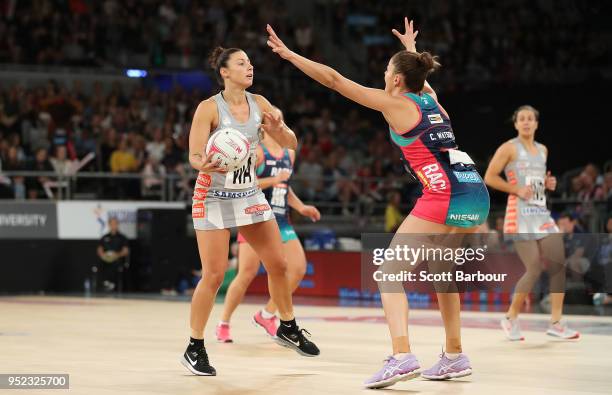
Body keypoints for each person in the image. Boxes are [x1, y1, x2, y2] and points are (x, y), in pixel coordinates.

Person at [266, 18, 490, 388]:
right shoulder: (432, 101)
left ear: (397, 80)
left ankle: (402, 357)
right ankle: (454, 356)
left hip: (444, 194)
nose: (385, 74)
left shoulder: (395, 103)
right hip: (474, 191)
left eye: (388, 69)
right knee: (441, 274)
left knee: (388, 274)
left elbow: (336, 81)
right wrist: (412, 51)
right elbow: (420, 75)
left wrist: (291, 56)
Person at [182, 46, 320, 377]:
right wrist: (206, 162)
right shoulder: (207, 109)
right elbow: (194, 156)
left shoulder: (259, 104)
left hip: (248, 194)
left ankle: (287, 326)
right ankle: (195, 345)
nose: (250, 67)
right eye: (241, 63)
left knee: (279, 263)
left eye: (251, 63)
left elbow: (290, 142)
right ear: (225, 72)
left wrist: (279, 128)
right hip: (213, 195)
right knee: (214, 275)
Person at [217, 110, 321, 342]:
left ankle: (266, 314)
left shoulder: (289, 153)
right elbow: (244, 182)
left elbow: (284, 187)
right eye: (274, 118)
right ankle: (223, 322)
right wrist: (272, 180)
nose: (279, 121)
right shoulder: (256, 151)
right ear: (263, 125)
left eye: (281, 118)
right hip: (256, 219)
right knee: (246, 273)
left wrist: (301, 207)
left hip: (282, 219)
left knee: (297, 269)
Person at [484, 105, 579, 341]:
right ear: (516, 124)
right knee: (534, 268)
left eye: (530, 119)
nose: (526, 122)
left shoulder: (542, 150)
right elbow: (489, 177)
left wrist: (548, 185)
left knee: (558, 263)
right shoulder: (508, 148)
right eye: (522, 119)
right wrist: (516, 188)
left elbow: (536, 182)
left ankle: (556, 323)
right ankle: (510, 316)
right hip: (520, 214)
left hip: (541, 213)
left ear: (536, 123)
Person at [96, 217, 129, 293]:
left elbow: (125, 251)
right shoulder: (104, 237)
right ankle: (105, 283)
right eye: (112, 223)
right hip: (106, 258)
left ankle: (111, 283)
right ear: (109, 225)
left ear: (118, 225)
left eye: (115, 223)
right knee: (100, 263)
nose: (113, 225)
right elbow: (99, 250)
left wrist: (116, 255)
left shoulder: (122, 238)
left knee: (115, 263)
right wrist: (104, 256)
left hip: (117, 258)